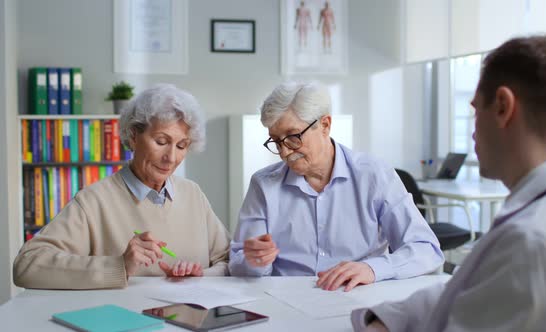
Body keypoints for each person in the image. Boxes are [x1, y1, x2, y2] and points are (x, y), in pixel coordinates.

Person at [351, 35, 546, 331]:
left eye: (476, 110)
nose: (473, 131)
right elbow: (470, 290)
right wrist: (387, 319)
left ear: (503, 106)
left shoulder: (534, 242)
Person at [229, 81, 443, 291]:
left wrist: (372, 269)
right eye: (276, 141)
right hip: (287, 298)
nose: (284, 152)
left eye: (293, 137)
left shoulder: (374, 175)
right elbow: (237, 261)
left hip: (357, 295)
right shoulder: (264, 184)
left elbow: (426, 249)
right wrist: (255, 261)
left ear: (325, 125)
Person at [13, 84, 230, 290]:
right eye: (161, 142)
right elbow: (27, 265)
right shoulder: (94, 200)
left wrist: (202, 275)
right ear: (134, 136)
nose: (171, 158)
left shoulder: (192, 194)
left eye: (181, 146)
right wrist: (119, 266)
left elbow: (230, 260)